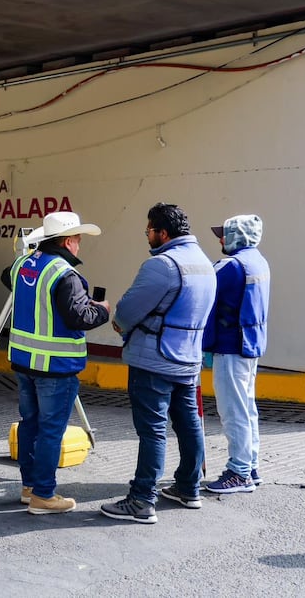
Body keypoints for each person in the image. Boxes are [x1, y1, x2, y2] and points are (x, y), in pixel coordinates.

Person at [101, 203, 216, 524]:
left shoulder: (162, 266)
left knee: (153, 431)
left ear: (163, 233)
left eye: (149, 231)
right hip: (189, 360)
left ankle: (141, 500)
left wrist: (120, 323)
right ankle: (188, 488)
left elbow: (124, 313)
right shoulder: (205, 265)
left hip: (153, 361)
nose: (147, 236)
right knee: (189, 424)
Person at [1, 211, 110, 515]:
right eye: (77, 240)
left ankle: (29, 488)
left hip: (24, 363)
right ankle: (44, 496)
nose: (79, 246)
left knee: (30, 425)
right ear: (66, 241)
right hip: (55, 368)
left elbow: (8, 278)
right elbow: (79, 317)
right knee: (50, 430)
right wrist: (102, 309)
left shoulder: (24, 264)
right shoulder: (65, 274)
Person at [203, 215, 270, 494]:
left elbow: (204, 297)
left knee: (234, 411)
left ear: (238, 236)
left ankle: (239, 472)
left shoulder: (230, 266)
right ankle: (250, 466)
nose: (220, 239)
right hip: (250, 344)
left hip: (231, 346)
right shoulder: (258, 261)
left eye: (224, 234)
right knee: (247, 408)